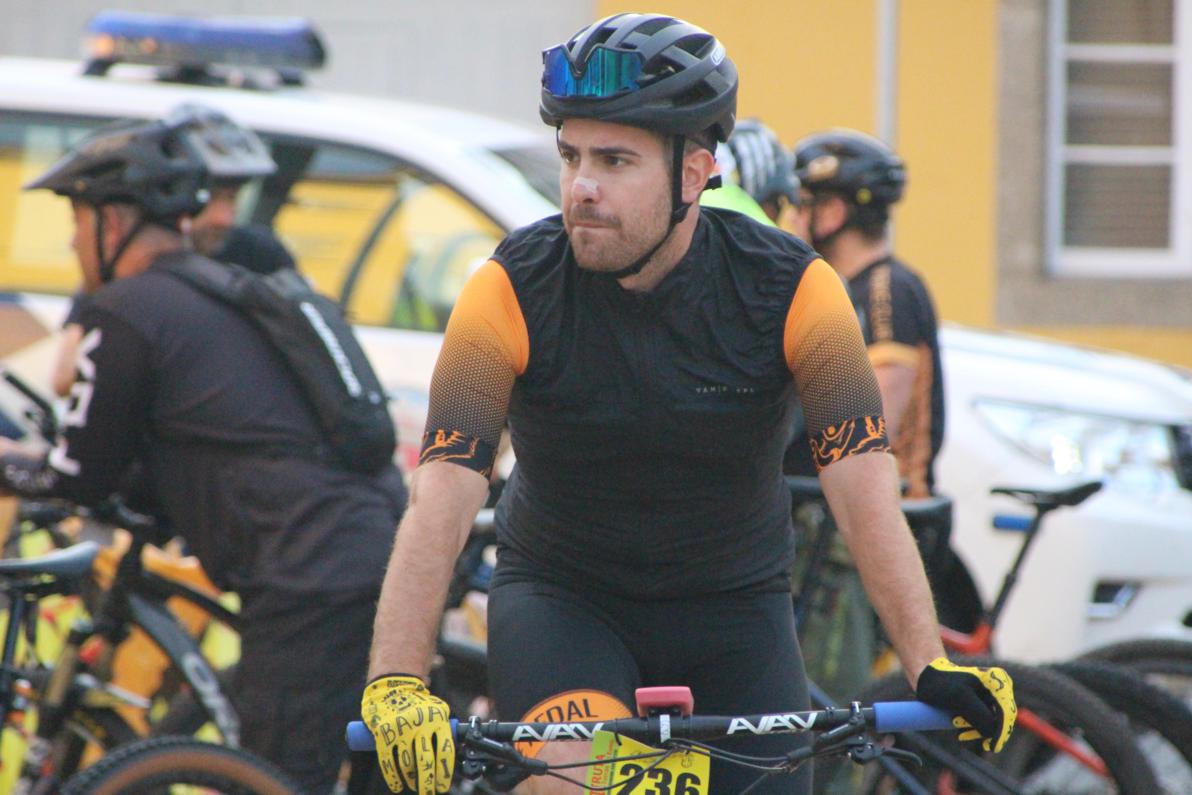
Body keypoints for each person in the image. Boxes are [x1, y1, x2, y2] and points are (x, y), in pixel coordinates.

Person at [361, 13, 1015, 795]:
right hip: (564, 601)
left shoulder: (796, 290)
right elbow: (443, 489)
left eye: (615, 160)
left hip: (735, 612)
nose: (582, 186)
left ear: (695, 172)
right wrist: (397, 678)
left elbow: (862, 485)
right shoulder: (507, 288)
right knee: (573, 786)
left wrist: (928, 660)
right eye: (571, 156)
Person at [0, 105, 405, 794]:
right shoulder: (215, 290)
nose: (71, 243)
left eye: (76, 221)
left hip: (310, 574)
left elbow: (78, 474)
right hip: (363, 545)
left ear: (111, 222)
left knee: (275, 781)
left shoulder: (126, 311)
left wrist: (11, 464)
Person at [49, 103, 294, 399]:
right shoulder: (134, 262)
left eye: (233, 198)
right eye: (211, 197)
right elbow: (65, 377)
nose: (224, 218)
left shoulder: (259, 254)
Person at [792, 129, 944, 498]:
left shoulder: (884, 289)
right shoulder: (848, 286)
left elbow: (872, 426)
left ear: (832, 214)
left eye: (801, 204)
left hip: (887, 506)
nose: (792, 218)